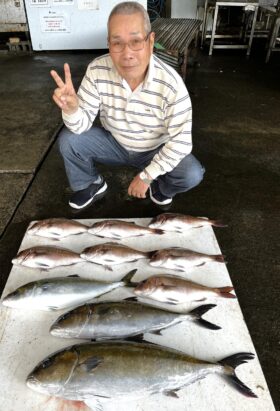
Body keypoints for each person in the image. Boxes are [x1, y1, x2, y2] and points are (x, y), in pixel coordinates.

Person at [51, 1, 205, 210]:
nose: (127, 53)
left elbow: (181, 142)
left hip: (154, 149)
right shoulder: (97, 70)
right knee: (69, 139)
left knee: (191, 173)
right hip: (114, 144)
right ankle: (90, 184)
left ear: (151, 41)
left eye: (136, 41)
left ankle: (162, 188)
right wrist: (72, 110)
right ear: (109, 44)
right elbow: (80, 126)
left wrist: (147, 176)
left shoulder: (172, 84)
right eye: (117, 43)